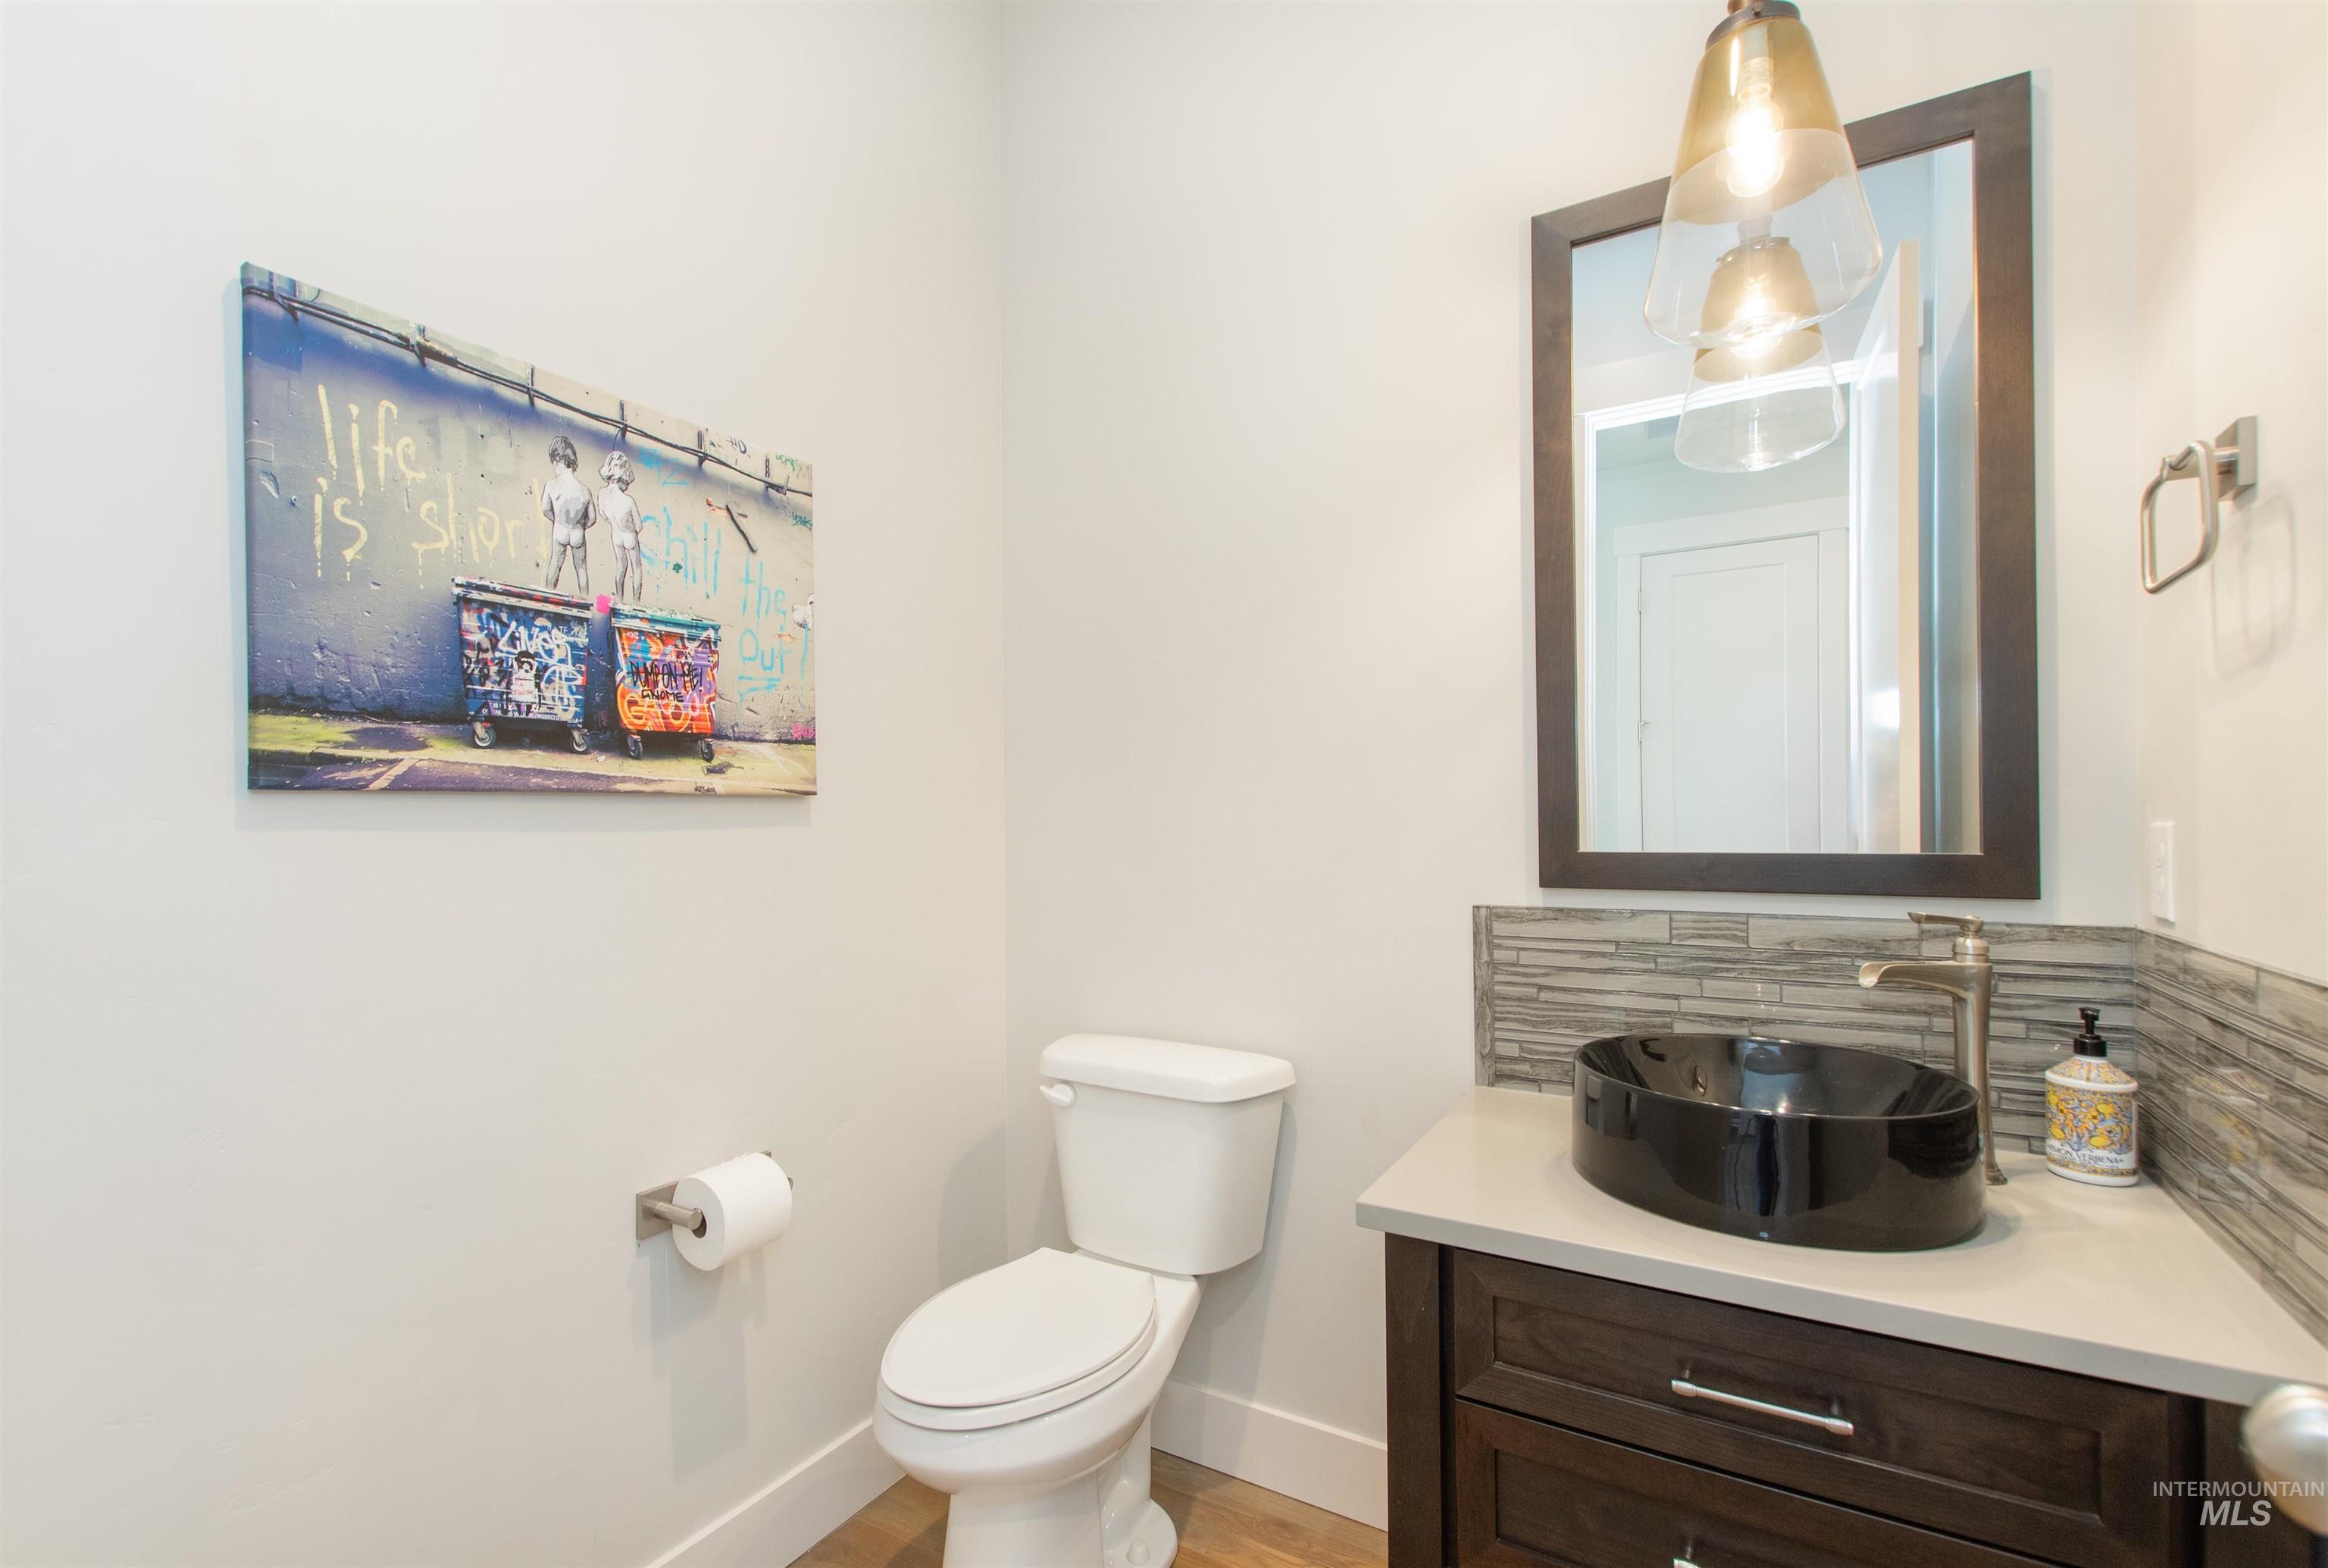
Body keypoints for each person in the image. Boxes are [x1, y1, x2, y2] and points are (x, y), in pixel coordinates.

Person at [540, 435, 594, 593]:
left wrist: (556, 519)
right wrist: (581, 526)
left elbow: (545, 509)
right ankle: (585, 601)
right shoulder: (585, 490)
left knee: (555, 565)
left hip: (560, 528)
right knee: (582, 569)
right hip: (577, 531)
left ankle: (549, 599)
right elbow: (592, 518)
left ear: (557, 461)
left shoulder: (552, 485)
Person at [600, 450, 645, 602]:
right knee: (636, 567)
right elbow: (639, 526)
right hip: (629, 535)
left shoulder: (603, 496)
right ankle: (636, 602)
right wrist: (630, 527)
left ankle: (619, 598)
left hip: (616, 534)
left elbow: (603, 515)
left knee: (621, 565)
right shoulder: (628, 500)